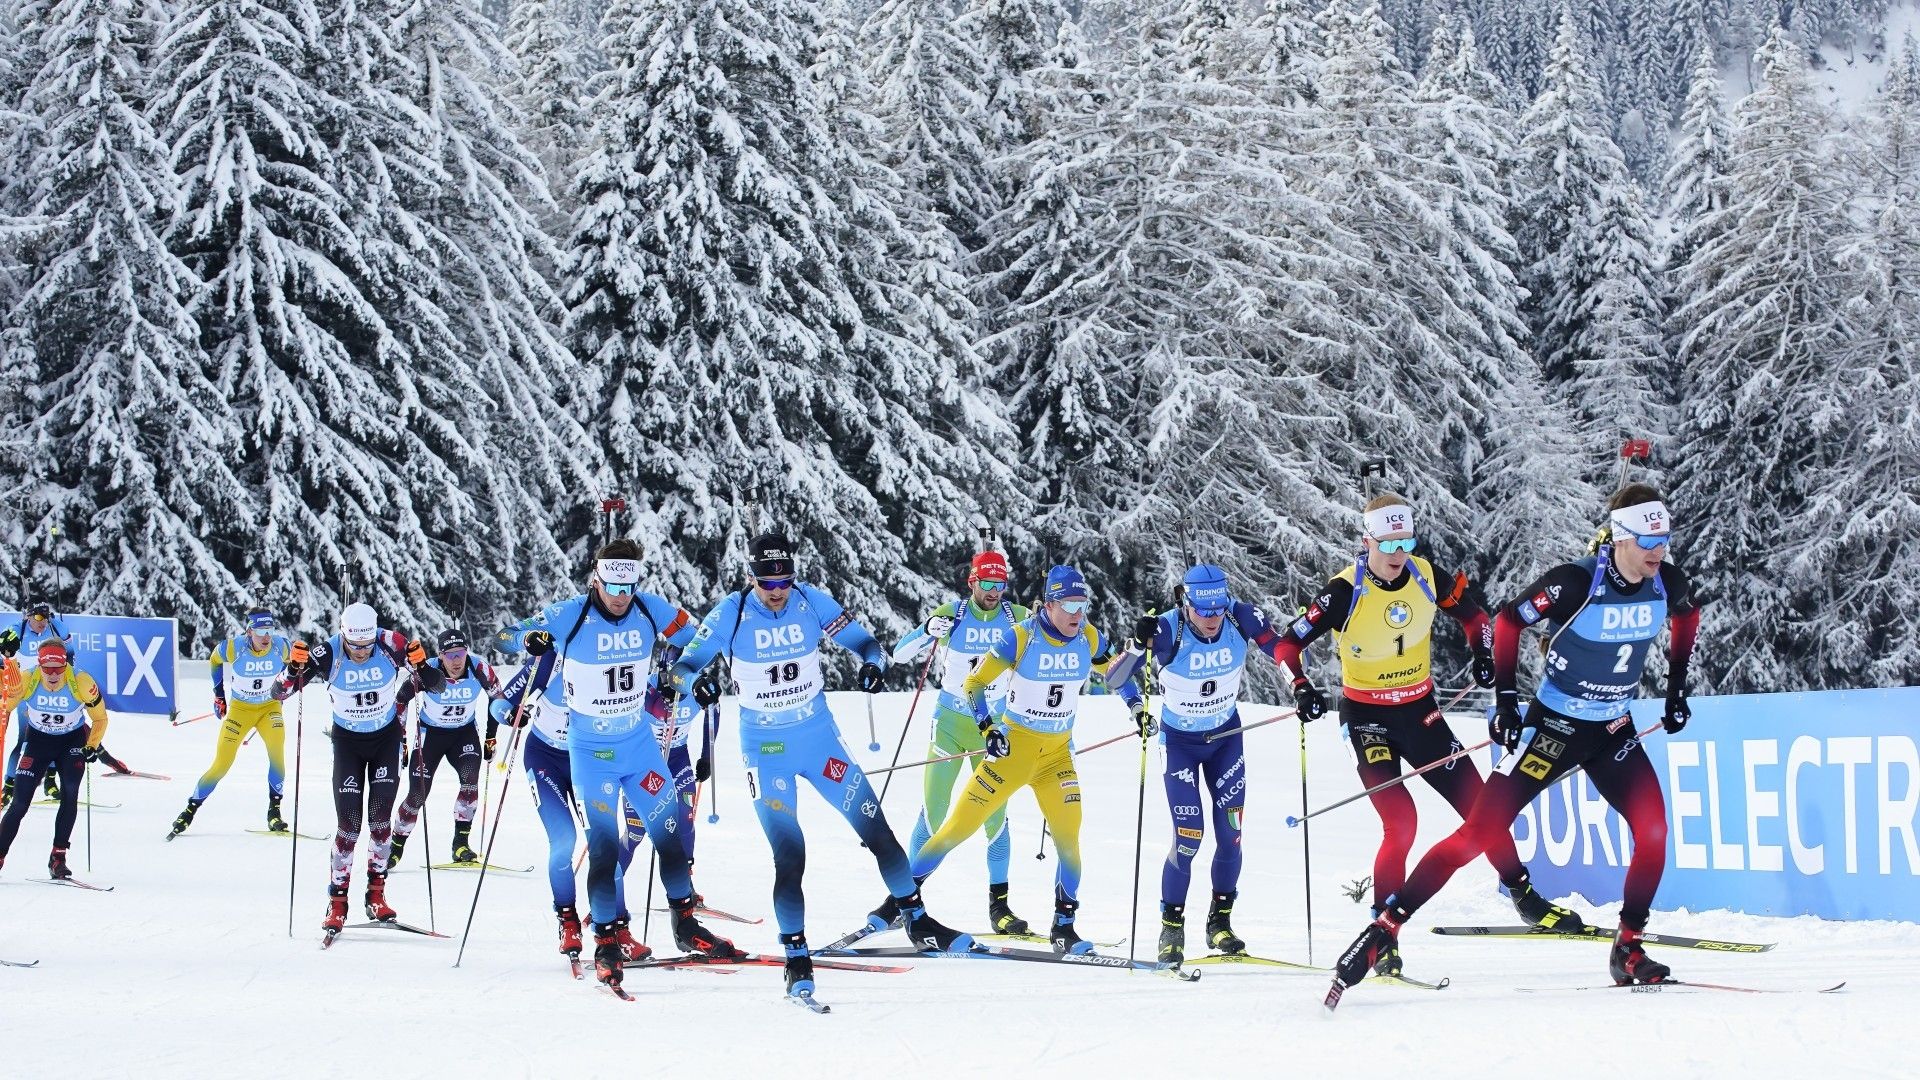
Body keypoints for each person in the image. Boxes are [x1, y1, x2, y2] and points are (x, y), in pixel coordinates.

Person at [1328, 484, 1701, 1001]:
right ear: (1620, 537)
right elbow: (1506, 620)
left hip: (1613, 727)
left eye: (1662, 539)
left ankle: (1628, 947)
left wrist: (1677, 687)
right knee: (1479, 831)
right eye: (1645, 540)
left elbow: (1687, 616)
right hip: (1554, 729)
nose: (1657, 551)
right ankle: (1384, 927)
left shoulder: (1667, 582)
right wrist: (1506, 702)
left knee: (1655, 831)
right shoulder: (1574, 582)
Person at [1276, 493, 1579, 976]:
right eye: (1388, 542)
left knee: (1483, 808)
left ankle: (1524, 896)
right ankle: (1382, 935)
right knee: (1402, 823)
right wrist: (1300, 684)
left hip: (1421, 714)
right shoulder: (1343, 590)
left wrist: (1481, 653)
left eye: (1406, 540)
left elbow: (1479, 620)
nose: (1398, 553)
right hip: (1366, 717)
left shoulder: (1425, 574)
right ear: (1367, 540)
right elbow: (1288, 643)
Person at [667, 531, 970, 1001]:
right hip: (767, 750)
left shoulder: (809, 601)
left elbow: (866, 644)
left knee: (878, 832)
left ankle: (916, 919)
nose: (777, 591)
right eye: (768, 582)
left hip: (819, 739)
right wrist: (695, 684)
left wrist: (873, 664)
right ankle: (796, 956)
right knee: (790, 856)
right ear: (752, 577)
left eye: (785, 580)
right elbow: (683, 668)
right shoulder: (732, 611)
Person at [519, 539, 737, 992]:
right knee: (602, 846)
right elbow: (513, 634)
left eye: (629, 584)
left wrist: (689, 676)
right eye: (613, 584)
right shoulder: (571, 614)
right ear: (596, 578)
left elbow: (700, 638)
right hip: (591, 753)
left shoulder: (648, 608)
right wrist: (531, 639)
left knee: (671, 830)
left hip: (638, 747)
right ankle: (604, 943)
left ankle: (685, 924)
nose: (621, 594)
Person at [903, 564, 1144, 956]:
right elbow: (974, 683)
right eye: (1068, 604)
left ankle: (1064, 928)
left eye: (1082, 604)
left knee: (1069, 840)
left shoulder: (1088, 635)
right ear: (1049, 604)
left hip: (1056, 758)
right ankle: (899, 902)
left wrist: (1136, 708)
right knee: (956, 828)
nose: (1076, 614)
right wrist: (987, 728)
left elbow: (1115, 675)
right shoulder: (1021, 637)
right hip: (1013, 751)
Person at [1132, 563, 1293, 965]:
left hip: (1225, 742)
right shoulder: (1169, 629)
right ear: (1186, 604)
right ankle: (1172, 927)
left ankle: (1219, 923)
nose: (1212, 619)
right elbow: (1119, 677)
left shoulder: (1240, 617)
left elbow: (1279, 648)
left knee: (1231, 834)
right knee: (1188, 837)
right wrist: (1138, 646)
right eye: (1204, 611)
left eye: (1218, 609)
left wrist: (1299, 685)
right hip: (1181, 745)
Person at [273, 603, 443, 934]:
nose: (362, 652)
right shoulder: (328, 652)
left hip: (385, 741)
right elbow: (279, 692)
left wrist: (422, 666)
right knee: (349, 826)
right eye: (355, 646)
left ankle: (376, 896)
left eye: (366, 646)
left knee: (380, 822)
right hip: (349, 745)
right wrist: (292, 670)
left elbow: (436, 686)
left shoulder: (392, 644)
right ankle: (337, 902)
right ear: (345, 637)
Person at [889, 550, 1034, 935]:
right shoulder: (952, 613)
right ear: (972, 582)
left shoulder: (1016, 617)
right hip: (951, 722)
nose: (994, 591)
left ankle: (999, 908)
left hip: (996, 725)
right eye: (987, 583)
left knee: (995, 817)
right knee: (935, 812)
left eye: (1000, 584)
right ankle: (904, 901)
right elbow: (899, 655)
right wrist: (925, 631)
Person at [489, 648, 648, 968]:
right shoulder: (549, 662)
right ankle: (568, 922)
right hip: (545, 759)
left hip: (588, 763)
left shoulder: (615, 664)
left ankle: (619, 932)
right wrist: (510, 714)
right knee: (563, 842)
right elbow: (499, 702)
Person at [171, 609, 291, 838]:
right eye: (260, 632)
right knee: (222, 764)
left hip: (269, 709)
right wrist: (219, 696)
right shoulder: (234, 647)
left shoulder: (280, 646)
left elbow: (292, 664)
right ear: (249, 631)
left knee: (277, 755)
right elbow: (214, 660)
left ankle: (274, 811)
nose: (266, 637)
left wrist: (284, 686)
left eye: (270, 631)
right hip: (240, 711)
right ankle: (189, 810)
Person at [389, 630, 500, 867]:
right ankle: (395, 846)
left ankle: (460, 844)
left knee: (470, 780)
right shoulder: (427, 671)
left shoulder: (479, 668)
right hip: (430, 736)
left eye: (460, 654)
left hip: (463, 733)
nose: (456, 661)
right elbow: (400, 699)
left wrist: (491, 737)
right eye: (450, 655)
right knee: (417, 795)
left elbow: (497, 699)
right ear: (440, 656)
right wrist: (402, 739)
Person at [0, 641, 107, 877]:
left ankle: (58, 857)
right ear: (39, 666)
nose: (52, 675)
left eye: (58, 668)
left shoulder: (81, 681)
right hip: (38, 743)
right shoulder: (28, 678)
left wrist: (91, 745)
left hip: (71, 743)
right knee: (19, 802)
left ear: (65, 665)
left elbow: (100, 718)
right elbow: (5, 705)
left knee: (69, 792)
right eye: (47, 669)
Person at [2, 603, 76, 802]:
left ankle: (50, 782)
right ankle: (9, 786)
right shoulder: (20, 628)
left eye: (46, 618)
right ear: (29, 617)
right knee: (24, 740)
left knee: (54, 737)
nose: (43, 623)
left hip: (50, 692)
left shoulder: (55, 627)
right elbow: (5, 647)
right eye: (39, 619)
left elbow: (70, 656)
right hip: (26, 692)